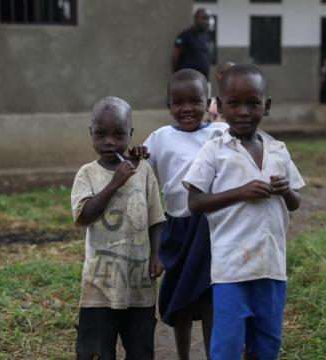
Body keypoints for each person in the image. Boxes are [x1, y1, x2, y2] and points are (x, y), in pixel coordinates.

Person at [183, 64, 305, 360]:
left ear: (267, 105)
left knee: (266, 345)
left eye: (253, 103)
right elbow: (195, 202)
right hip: (231, 270)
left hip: (271, 268)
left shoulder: (278, 149)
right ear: (220, 106)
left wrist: (286, 190)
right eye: (234, 103)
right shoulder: (214, 151)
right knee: (226, 347)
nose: (243, 112)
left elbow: (295, 201)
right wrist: (240, 192)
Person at [131, 68, 229, 360]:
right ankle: (183, 355)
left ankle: (214, 355)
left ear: (207, 101)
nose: (187, 108)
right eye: (178, 102)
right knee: (178, 298)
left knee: (210, 296)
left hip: (211, 228)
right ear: (168, 105)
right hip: (176, 227)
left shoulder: (220, 132)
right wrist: (135, 156)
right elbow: (140, 170)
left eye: (195, 101)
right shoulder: (160, 138)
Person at [71, 96, 166, 360]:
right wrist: (115, 182)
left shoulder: (144, 170)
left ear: (131, 134)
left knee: (141, 351)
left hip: (139, 285)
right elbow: (85, 214)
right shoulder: (87, 174)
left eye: (119, 134)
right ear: (91, 133)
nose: (109, 142)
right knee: (96, 353)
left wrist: (156, 255)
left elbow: (155, 217)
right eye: (101, 134)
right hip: (99, 286)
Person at [172, 8, 211, 79]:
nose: (207, 22)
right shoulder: (185, 35)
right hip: (188, 80)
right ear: (196, 18)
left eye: (208, 19)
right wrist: (178, 75)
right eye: (204, 18)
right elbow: (175, 57)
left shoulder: (205, 37)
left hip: (203, 79)